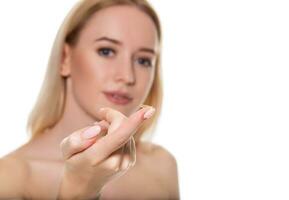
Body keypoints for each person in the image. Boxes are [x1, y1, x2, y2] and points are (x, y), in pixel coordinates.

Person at [0, 0, 180, 199]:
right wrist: (77, 190)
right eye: (106, 51)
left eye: (143, 60)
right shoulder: (9, 179)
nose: (128, 76)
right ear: (64, 59)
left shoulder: (162, 166)